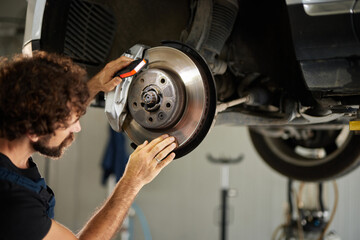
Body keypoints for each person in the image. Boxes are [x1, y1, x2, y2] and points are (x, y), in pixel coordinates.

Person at [0, 51, 177, 240]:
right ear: (34, 131)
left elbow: (47, 111)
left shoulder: (14, 128)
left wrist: (95, 85)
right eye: (70, 122)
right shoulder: (14, 204)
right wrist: (132, 181)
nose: (77, 127)